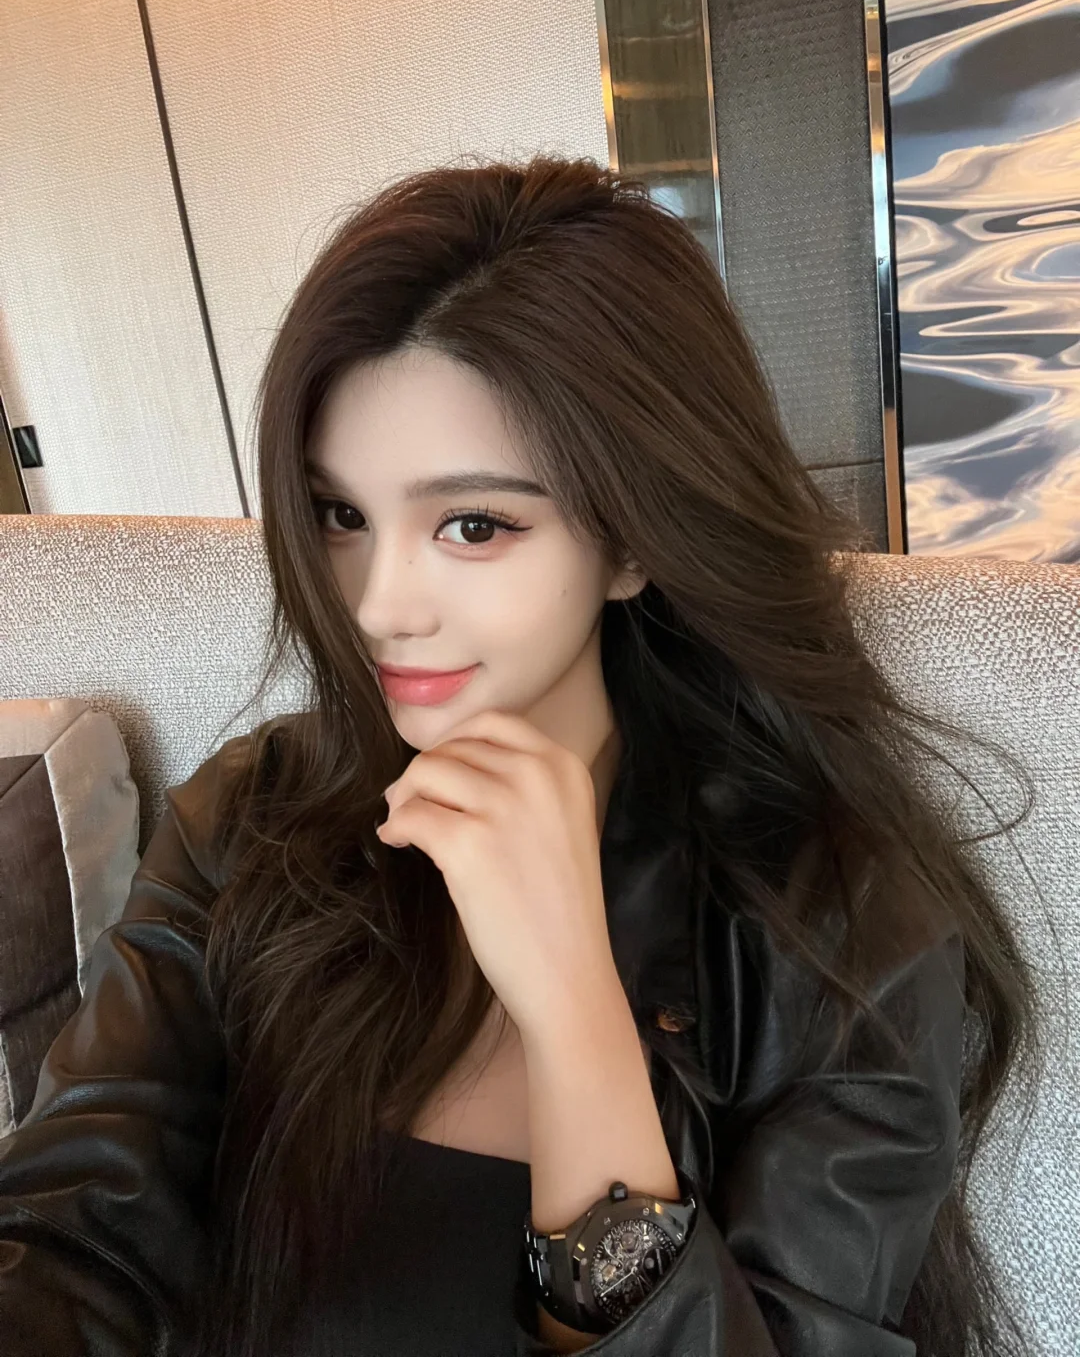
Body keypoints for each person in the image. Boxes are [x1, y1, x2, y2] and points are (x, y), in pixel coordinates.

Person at [0, 155, 1042, 1357]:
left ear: (633, 541)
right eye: (342, 515)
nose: (380, 604)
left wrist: (576, 1012)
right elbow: (77, 1221)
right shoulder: (253, 815)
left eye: (473, 524)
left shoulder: (838, 927)